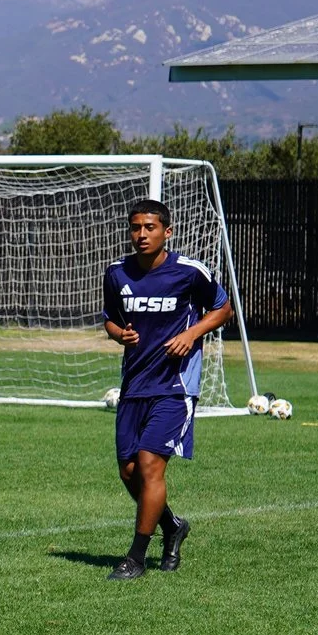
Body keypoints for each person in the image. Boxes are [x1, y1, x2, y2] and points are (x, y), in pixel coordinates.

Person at [102, 199, 231, 581]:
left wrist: (191, 334)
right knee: (129, 473)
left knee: (148, 463)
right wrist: (119, 335)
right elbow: (110, 319)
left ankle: (136, 558)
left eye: (150, 228)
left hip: (175, 386)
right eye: (136, 228)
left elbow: (223, 310)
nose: (141, 235)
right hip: (135, 385)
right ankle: (172, 526)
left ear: (167, 232)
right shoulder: (116, 273)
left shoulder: (189, 272)